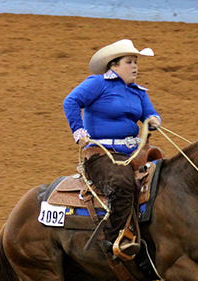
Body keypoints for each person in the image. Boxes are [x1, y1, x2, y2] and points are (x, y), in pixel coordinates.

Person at [63, 39, 161, 257]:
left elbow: (150, 113)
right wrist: (79, 132)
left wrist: (154, 119)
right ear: (113, 66)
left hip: (135, 153)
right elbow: (71, 101)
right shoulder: (97, 83)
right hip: (102, 155)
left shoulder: (138, 92)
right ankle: (113, 239)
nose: (135, 66)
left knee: (164, 178)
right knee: (123, 183)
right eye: (129, 62)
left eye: (136, 62)